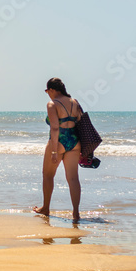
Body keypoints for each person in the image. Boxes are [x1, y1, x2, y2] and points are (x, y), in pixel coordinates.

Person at [34, 77, 82, 221]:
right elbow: (80, 122)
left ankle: (46, 208)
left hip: (58, 142)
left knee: (48, 175)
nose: (47, 93)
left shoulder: (52, 104)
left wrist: (54, 151)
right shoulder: (75, 102)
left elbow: (55, 128)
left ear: (53, 90)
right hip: (74, 142)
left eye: (47, 90)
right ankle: (76, 213)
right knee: (73, 178)